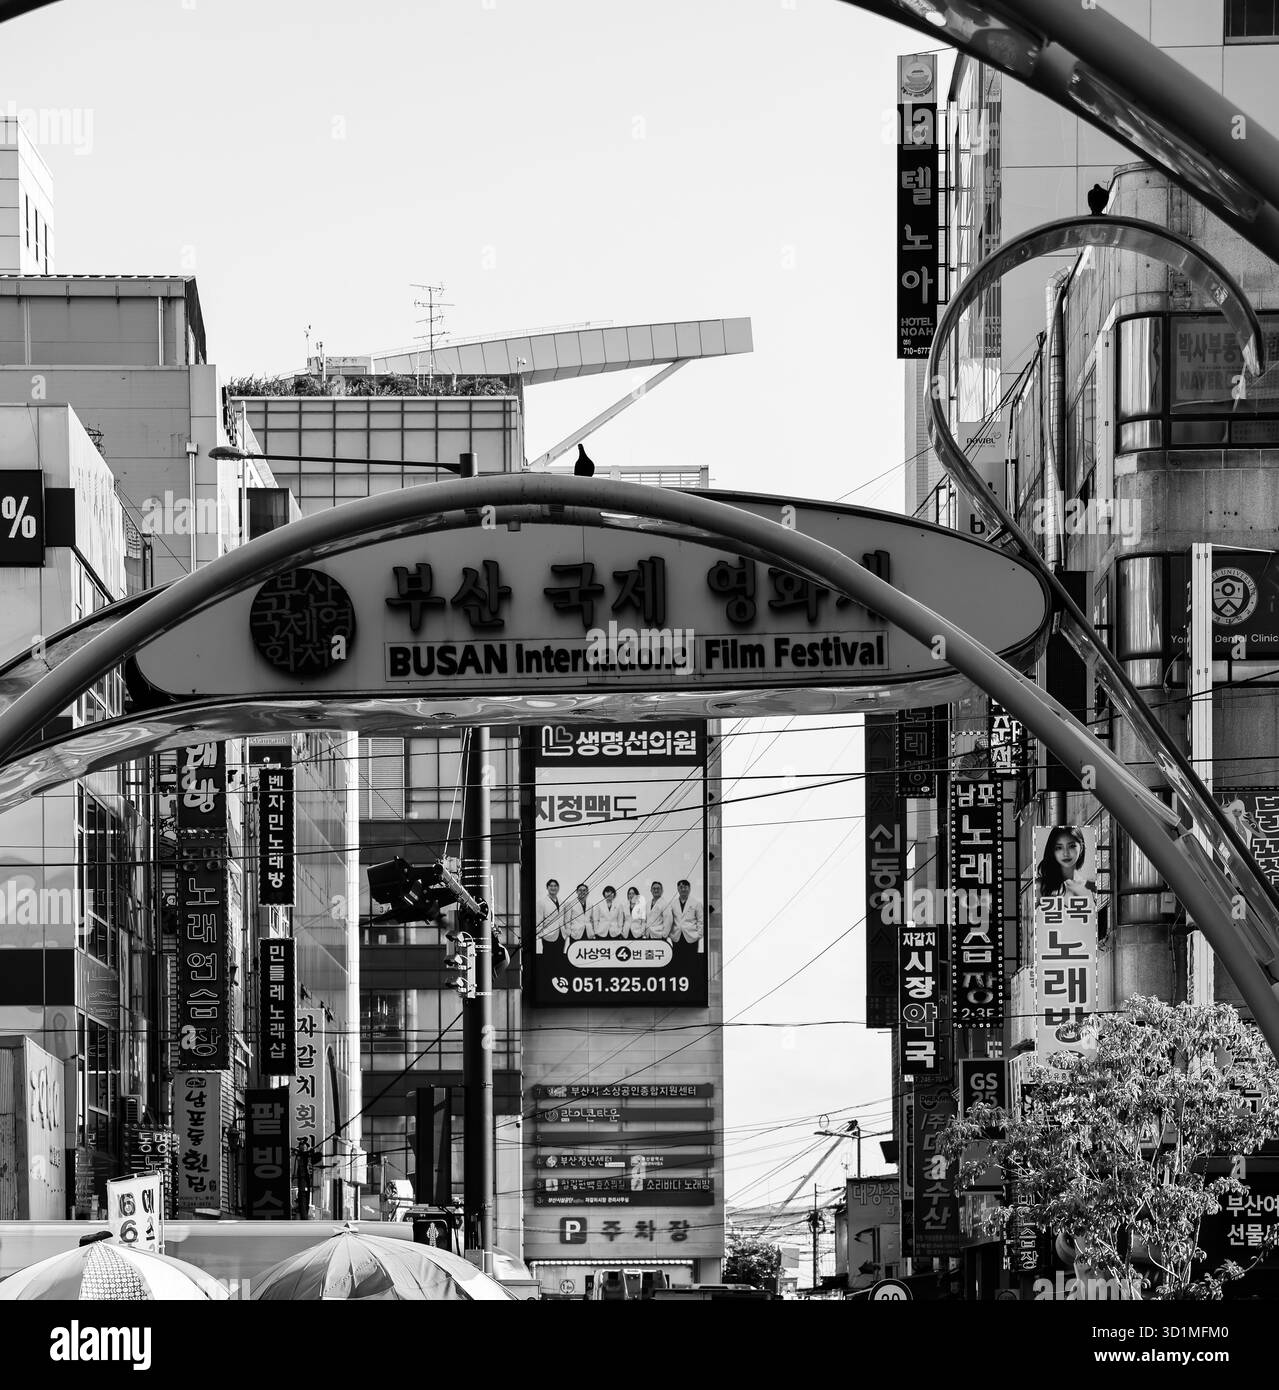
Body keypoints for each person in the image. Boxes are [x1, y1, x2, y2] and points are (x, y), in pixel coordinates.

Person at [1035, 826, 1097, 901]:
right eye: (1059, 848)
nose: (1066, 853)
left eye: (1071, 846)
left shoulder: (1092, 888)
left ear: (1081, 848)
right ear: (1052, 851)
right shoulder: (1040, 886)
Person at [667, 878, 704, 950]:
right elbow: (669, 920)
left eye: (685, 887)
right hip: (676, 937)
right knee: (678, 959)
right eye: (681, 887)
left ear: (689, 889)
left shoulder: (696, 903)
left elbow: (701, 920)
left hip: (691, 937)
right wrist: (670, 934)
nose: (683, 889)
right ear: (678, 889)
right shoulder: (672, 904)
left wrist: (698, 935)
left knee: (691, 959)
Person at [535, 878, 563, 954]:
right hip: (548, 935)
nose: (553, 888)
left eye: (555, 886)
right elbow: (538, 920)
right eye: (551, 886)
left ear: (558, 888)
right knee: (548, 957)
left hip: (561, 935)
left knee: (559, 957)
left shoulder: (561, 901)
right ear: (547, 888)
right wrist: (541, 934)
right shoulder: (541, 902)